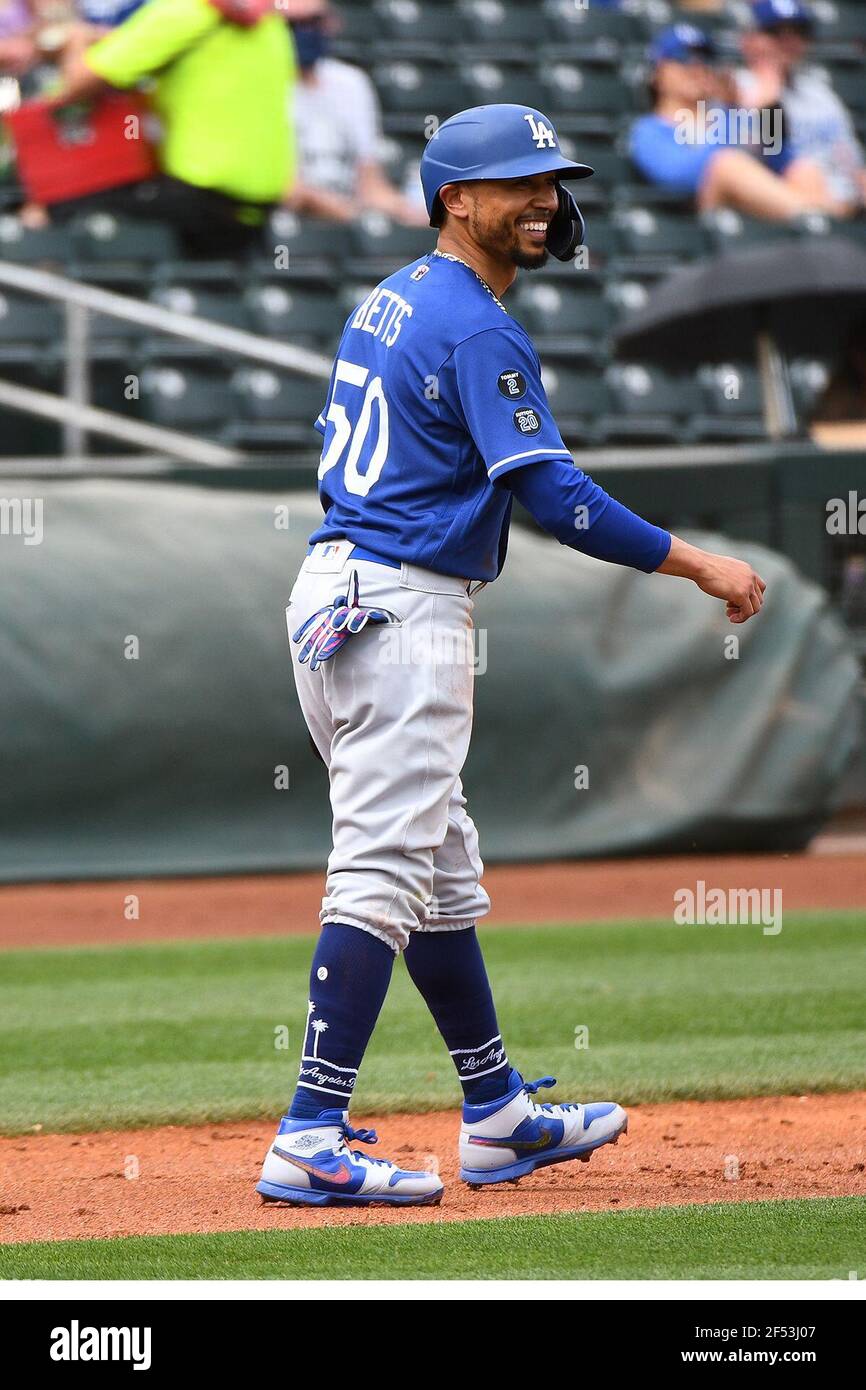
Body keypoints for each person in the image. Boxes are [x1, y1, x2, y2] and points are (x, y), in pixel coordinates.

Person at [256, 103, 766, 1208]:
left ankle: (494, 1115)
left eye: (551, 179)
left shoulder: (398, 292)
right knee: (385, 868)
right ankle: (308, 1131)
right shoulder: (477, 323)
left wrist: (539, 235)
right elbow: (555, 499)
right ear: (455, 200)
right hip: (400, 607)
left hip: (345, 592)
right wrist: (697, 563)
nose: (543, 198)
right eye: (517, 183)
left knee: (437, 871)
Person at [48, 0, 294, 259]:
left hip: (198, 199)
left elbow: (76, 83)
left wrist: (76, 39)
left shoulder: (186, 10)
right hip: (258, 208)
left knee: (59, 208)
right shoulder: (272, 24)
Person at [630, 23, 842, 219]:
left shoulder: (730, 115)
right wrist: (735, 115)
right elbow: (680, 179)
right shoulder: (649, 129)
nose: (696, 67)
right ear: (657, 72)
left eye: (703, 58)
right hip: (703, 224)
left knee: (804, 169)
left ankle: (824, 225)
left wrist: (769, 110)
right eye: (682, 58)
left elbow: (780, 158)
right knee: (726, 165)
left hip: (763, 212)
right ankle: (823, 216)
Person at [283, 0, 426, 225]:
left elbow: (369, 182)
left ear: (331, 23)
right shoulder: (259, 86)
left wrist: (411, 212)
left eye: (313, 22)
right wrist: (346, 211)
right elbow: (285, 188)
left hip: (349, 215)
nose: (304, 33)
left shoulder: (351, 83)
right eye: (292, 25)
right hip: (292, 222)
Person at [737, 0, 866, 216]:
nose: (788, 41)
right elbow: (753, 163)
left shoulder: (821, 95)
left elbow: (853, 164)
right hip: (786, 211)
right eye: (774, 31)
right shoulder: (736, 89)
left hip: (846, 202)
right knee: (805, 173)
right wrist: (769, 106)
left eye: (798, 32)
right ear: (748, 40)